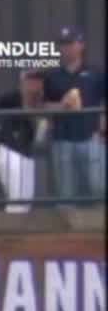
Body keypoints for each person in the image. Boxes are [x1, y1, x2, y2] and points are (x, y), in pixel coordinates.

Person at [42, 24, 105, 203]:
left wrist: (103, 126)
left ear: (81, 45)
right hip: (62, 139)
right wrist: (62, 105)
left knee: (98, 186)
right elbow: (44, 106)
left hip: (91, 137)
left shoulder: (95, 73)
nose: (66, 48)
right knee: (65, 192)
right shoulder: (53, 75)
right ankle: (68, 221)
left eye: (70, 43)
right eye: (63, 44)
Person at [0, 70, 47, 213]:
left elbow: (40, 133)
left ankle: (17, 227)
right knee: (18, 201)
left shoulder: (41, 102)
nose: (34, 86)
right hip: (10, 151)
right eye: (30, 82)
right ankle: (10, 228)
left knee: (25, 201)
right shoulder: (13, 98)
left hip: (27, 154)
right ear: (24, 83)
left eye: (38, 82)